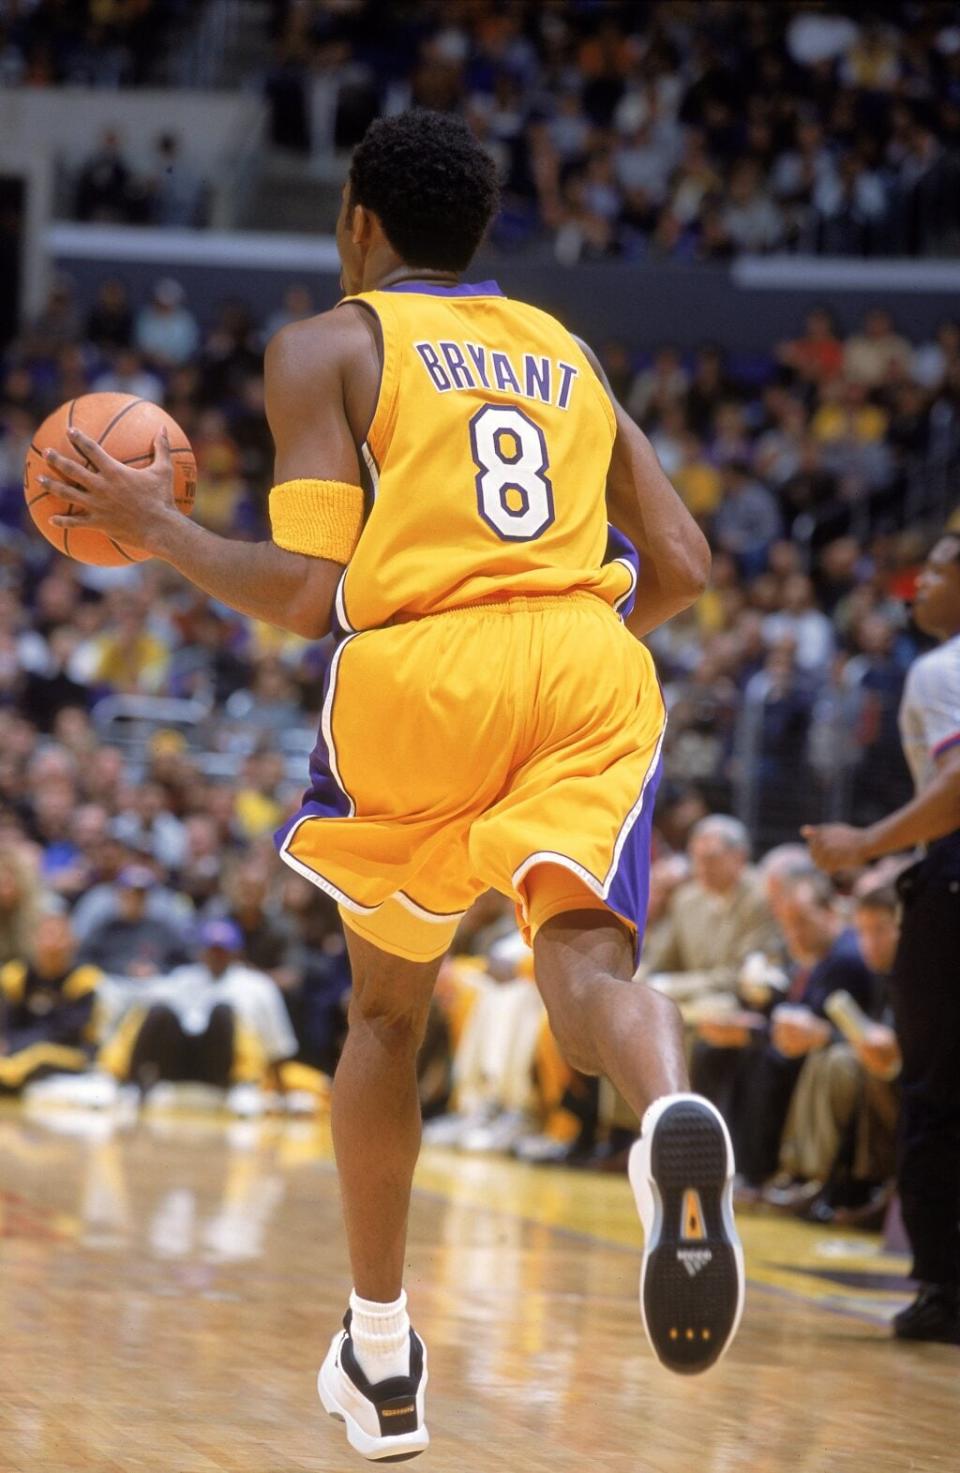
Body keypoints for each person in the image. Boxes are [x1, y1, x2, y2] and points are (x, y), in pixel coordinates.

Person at [38, 109, 742, 1460]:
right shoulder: (569, 352)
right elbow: (688, 563)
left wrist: (156, 526)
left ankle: (380, 1355)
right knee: (589, 972)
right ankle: (669, 1120)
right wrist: (563, 639)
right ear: (478, 231)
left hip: (420, 672)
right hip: (591, 658)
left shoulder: (328, 343)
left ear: (356, 218)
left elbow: (308, 597)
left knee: (384, 1015)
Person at [804, 531, 960, 1345]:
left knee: (934, 1092)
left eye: (935, 572)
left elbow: (958, 783)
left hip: (953, 889)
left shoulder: (942, 669)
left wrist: (864, 844)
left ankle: (944, 1288)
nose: (917, 588)